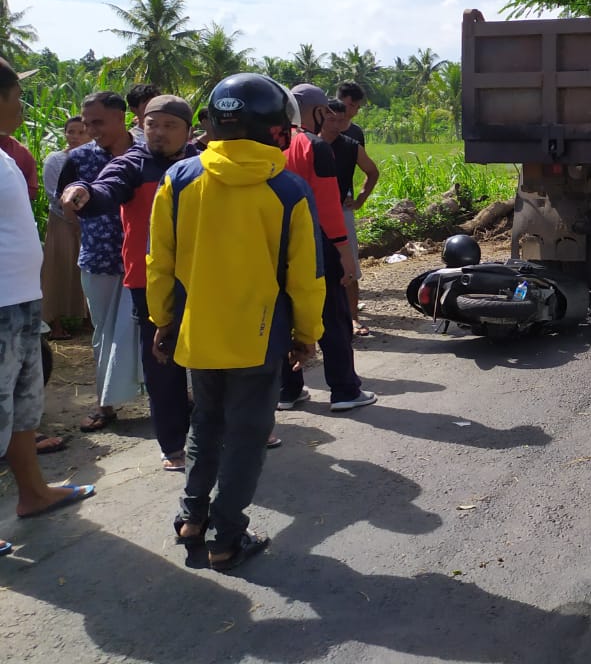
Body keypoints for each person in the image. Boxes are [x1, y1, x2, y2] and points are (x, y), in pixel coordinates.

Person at [148, 73, 325, 572]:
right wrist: (307, 334)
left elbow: (158, 260)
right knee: (246, 436)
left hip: (197, 332)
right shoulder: (288, 189)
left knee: (205, 422)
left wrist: (163, 320)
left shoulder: (180, 180)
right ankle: (228, 537)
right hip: (260, 339)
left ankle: (191, 519)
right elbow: (306, 277)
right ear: (274, 131)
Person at [61, 95, 199, 471]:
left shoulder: (202, 163)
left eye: (169, 125)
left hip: (203, 278)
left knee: (210, 358)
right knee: (161, 363)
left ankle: (224, 430)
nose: (158, 133)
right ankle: (172, 445)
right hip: (149, 282)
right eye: (152, 124)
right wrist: (85, 194)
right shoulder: (132, 164)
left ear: (187, 130)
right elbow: (108, 188)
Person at [0, 58, 97, 558]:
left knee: (21, 407)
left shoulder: (6, 156)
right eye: (16, 94)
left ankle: (34, 495)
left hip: (18, 301)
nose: (21, 103)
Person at [280, 84, 375, 413]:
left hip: (276, 244)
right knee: (333, 316)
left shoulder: (271, 144)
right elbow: (328, 206)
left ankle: (287, 390)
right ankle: (345, 390)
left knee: (283, 316)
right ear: (319, 111)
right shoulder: (313, 146)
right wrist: (345, 254)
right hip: (317, 242)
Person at [57, 91, 142, 432]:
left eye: (98, 122)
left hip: (145, 258)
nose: (91, 130)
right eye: (87, 123)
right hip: (100, 259)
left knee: (156, 331)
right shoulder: (77, 159)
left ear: (121, 117)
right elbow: (65, 203)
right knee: (104, 333)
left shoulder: (147, 154)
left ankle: (175, 394)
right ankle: (105, 404)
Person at [321, 98, 380, 336]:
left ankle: (353, 318)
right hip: (310, 212)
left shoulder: (351, 146)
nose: (336, 124)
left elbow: (372, 171)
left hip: (339, 211)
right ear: (321, 117)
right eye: (331, 119)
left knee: (350, 267)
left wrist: (360, 200)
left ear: (348, 120)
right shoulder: (309, 144)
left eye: (341, 120)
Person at [40, 116, 91, 340]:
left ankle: (88, 318)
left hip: (88, 222)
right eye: (71, 132)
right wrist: (73, 216)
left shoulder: (93, 158)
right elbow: (54, 194)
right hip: (62, 221)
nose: (75, 137)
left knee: (87, 270)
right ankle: (55, 323)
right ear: (65, 133)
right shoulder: (55, 160)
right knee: (58, 268)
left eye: (81, 132)